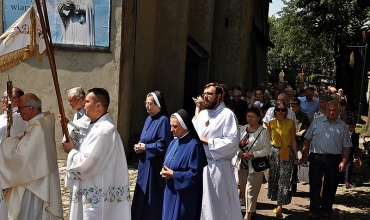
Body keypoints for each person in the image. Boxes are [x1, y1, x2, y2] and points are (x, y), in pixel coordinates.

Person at [62, 88, 131, 219]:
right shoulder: (95, 126)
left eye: (87, 101)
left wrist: (71, 151)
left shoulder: (104, 130)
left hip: (97, 192)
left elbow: (88, 164)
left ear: (98, 105)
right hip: (89, 187)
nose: (83, 104)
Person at [0, 93, 63, 219]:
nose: (19, 112)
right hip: (34, 177)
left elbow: (22, 155)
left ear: (30, 109)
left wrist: (4, 146)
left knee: (30, 213)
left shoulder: (39, 127)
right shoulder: (40, 123)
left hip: (33, 183)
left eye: (21, 108)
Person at [192, 82, 242, 220]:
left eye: (209, 94)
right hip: (200, 166)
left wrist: (209, 141)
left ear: (219, 96)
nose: (205, 97)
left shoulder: (227, 115)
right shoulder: (203, 114)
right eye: (204, 94)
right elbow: (193, 132)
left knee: (219, 204)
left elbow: (232, 141)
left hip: (218, 167)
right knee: (202, 205)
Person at [302, 101, 352, 219]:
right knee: (315, 184)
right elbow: (307, 138)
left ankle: (326, 209)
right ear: (326, 110)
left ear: (338, 111)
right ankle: (314, 209)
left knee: (331, 185)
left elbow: (347, 146)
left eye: (334, 110)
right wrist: (305, 153)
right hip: (316, 157)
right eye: (329, 110)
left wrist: (344, 161)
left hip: (333, 159)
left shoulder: (342, 126)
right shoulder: (317, 122)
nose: (331, 113)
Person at [131, 91, 172, 220]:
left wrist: (146, 147)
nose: (147, 106)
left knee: (152, 195)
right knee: (141, 193)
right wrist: (139, 146)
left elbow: (163, 144)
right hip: (144, 163)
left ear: (158, 105)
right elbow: (144, 138)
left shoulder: (164, 120)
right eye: (146, 103)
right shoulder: (148, 118)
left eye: (150, 104)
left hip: (155, 164)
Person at [161, 109, 207, 220]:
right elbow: (166, 161)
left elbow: (195, 174)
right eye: (171, 126)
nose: (172, 129)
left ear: (185, 126)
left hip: (185, 195)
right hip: (170, 192)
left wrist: (174, 175)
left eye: (175, 126)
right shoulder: (173, 142)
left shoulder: (194, 146)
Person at [234, 107, 271, 220]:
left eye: (252, 117)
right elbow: (234, 145)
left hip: (255, 166)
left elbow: (267, 149)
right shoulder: (242, 129)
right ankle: (252, 210)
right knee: (244, 189)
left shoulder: (263, 132)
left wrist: (253, 154)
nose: (250, 119)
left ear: (258, 118)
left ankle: (248, 215)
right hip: (241, 165)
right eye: (248, 117)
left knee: (250, 191)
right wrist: (238, 153)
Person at [267, 101, 299, 219]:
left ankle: (279, 206)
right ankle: (277, 201)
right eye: (278, 109)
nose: (280, 112)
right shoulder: (271, 123)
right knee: (274, 178)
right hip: (274, 152)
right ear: (275, 111)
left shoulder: (291, 123)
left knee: (284, 179)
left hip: (286, 151)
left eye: (283, 110)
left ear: (286, 112)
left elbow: (294, 141)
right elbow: (268, 140)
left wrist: (296, 157)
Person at [344, 121, 359, 189]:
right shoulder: (344, 133)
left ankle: (347, 182)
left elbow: (356, 146)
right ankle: (341, 179)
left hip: (351, 153)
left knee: (349, 167)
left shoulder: (356, 136)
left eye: (352, 127)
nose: (351, 128)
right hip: (343, 152)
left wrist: (355, 156)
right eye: (349, 127)